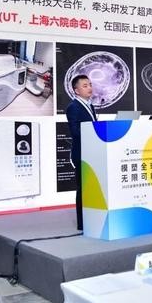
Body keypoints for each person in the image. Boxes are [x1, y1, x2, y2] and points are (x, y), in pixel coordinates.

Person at [65, 75, 97, 231]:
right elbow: (75, 132)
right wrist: (94, 133)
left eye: (90, 84)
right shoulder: (73, 107)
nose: (89, 88)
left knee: (92, 188)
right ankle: (82, 223)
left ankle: (93, 218)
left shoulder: (90, 106)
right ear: (76, 90)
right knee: (83, 188)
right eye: (85, 85)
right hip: (82, 154)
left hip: (92, 152)